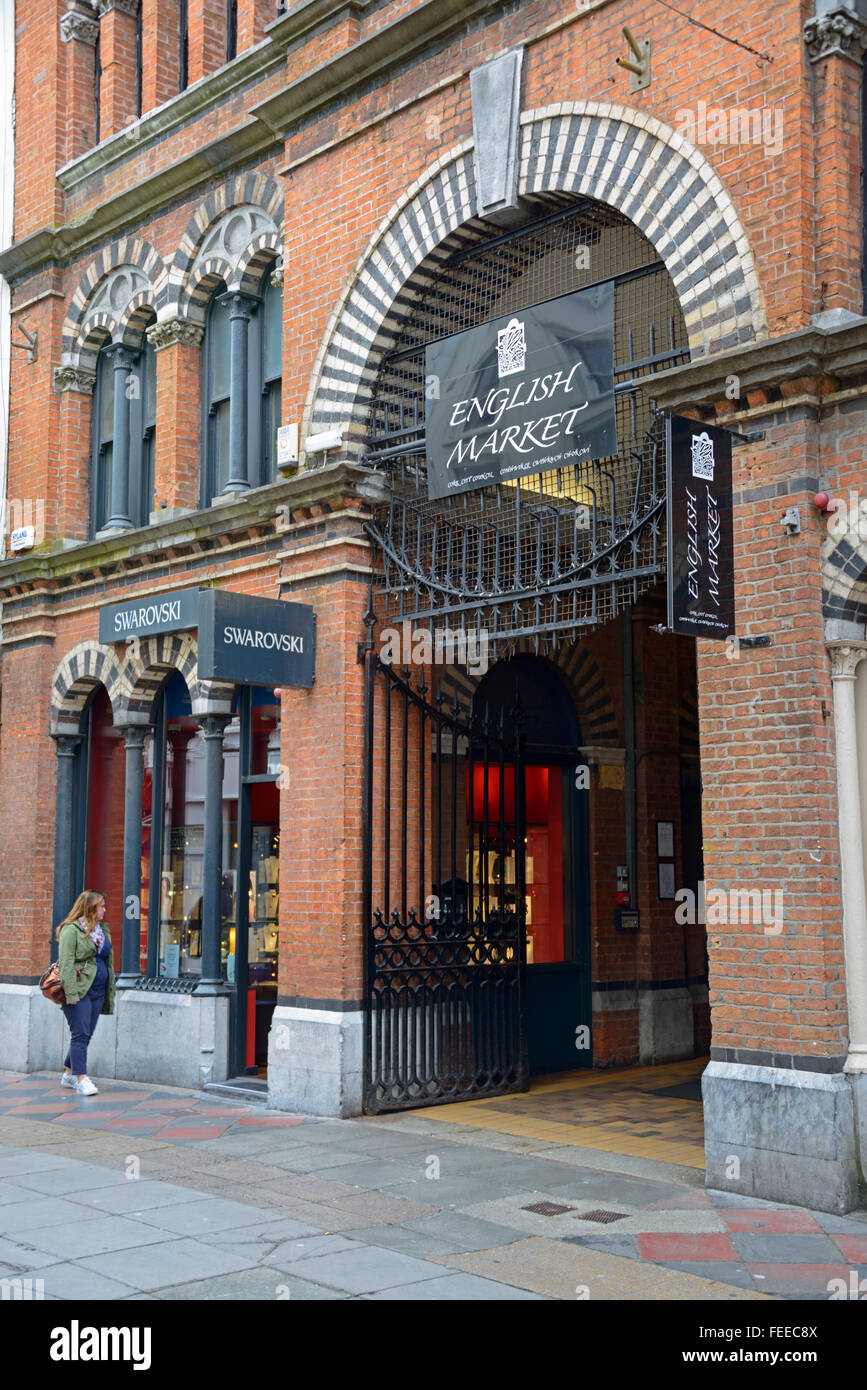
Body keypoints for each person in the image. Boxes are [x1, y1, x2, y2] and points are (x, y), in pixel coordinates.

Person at [56, 889, 115, 1097]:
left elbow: (107, 959)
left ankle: (69, 1073)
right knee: (79, 1035)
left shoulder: (101, 930)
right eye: (102, 906)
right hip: (80, 991)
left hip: (98, 991)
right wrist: (71, 995)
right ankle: (81, 1079)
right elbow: (66, 964)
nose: (105, 910)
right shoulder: (70, 931)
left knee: (86, 1034)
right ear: (91, 908)